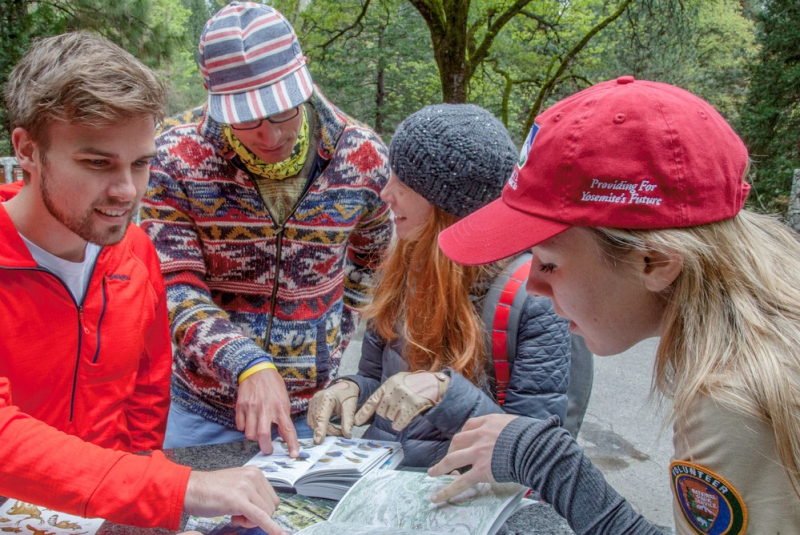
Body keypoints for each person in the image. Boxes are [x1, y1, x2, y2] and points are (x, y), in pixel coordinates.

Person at [427, 76, 800, 533]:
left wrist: (548, 461)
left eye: (547, 263)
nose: (533, 288)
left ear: (655, 261)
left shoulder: (734, 400)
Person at [0, 32, 287, 535]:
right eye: (97, 163)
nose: (127, 191)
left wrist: (130, 500)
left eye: (140, 162)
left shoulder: (135, 251)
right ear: (27, 150)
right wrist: (167, 488)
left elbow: (147, 391)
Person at [140, 1, 394, 457]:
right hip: (203, 409)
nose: (269, 134)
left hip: (310, 411)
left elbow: (374, 257)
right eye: (247, 118)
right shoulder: (172, 157)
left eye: (282, 113)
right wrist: (245, 363)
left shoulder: (364, 157)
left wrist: (335, 335)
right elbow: (172, 286)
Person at [307, 104, 579, 468]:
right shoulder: (403, 265)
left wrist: (444, 394)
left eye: (401, 185)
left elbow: (535, 450)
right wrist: (352, 389)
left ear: (447, 208)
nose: (385, 194)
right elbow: (377, 378)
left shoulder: (532, 299)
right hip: (386, 485)